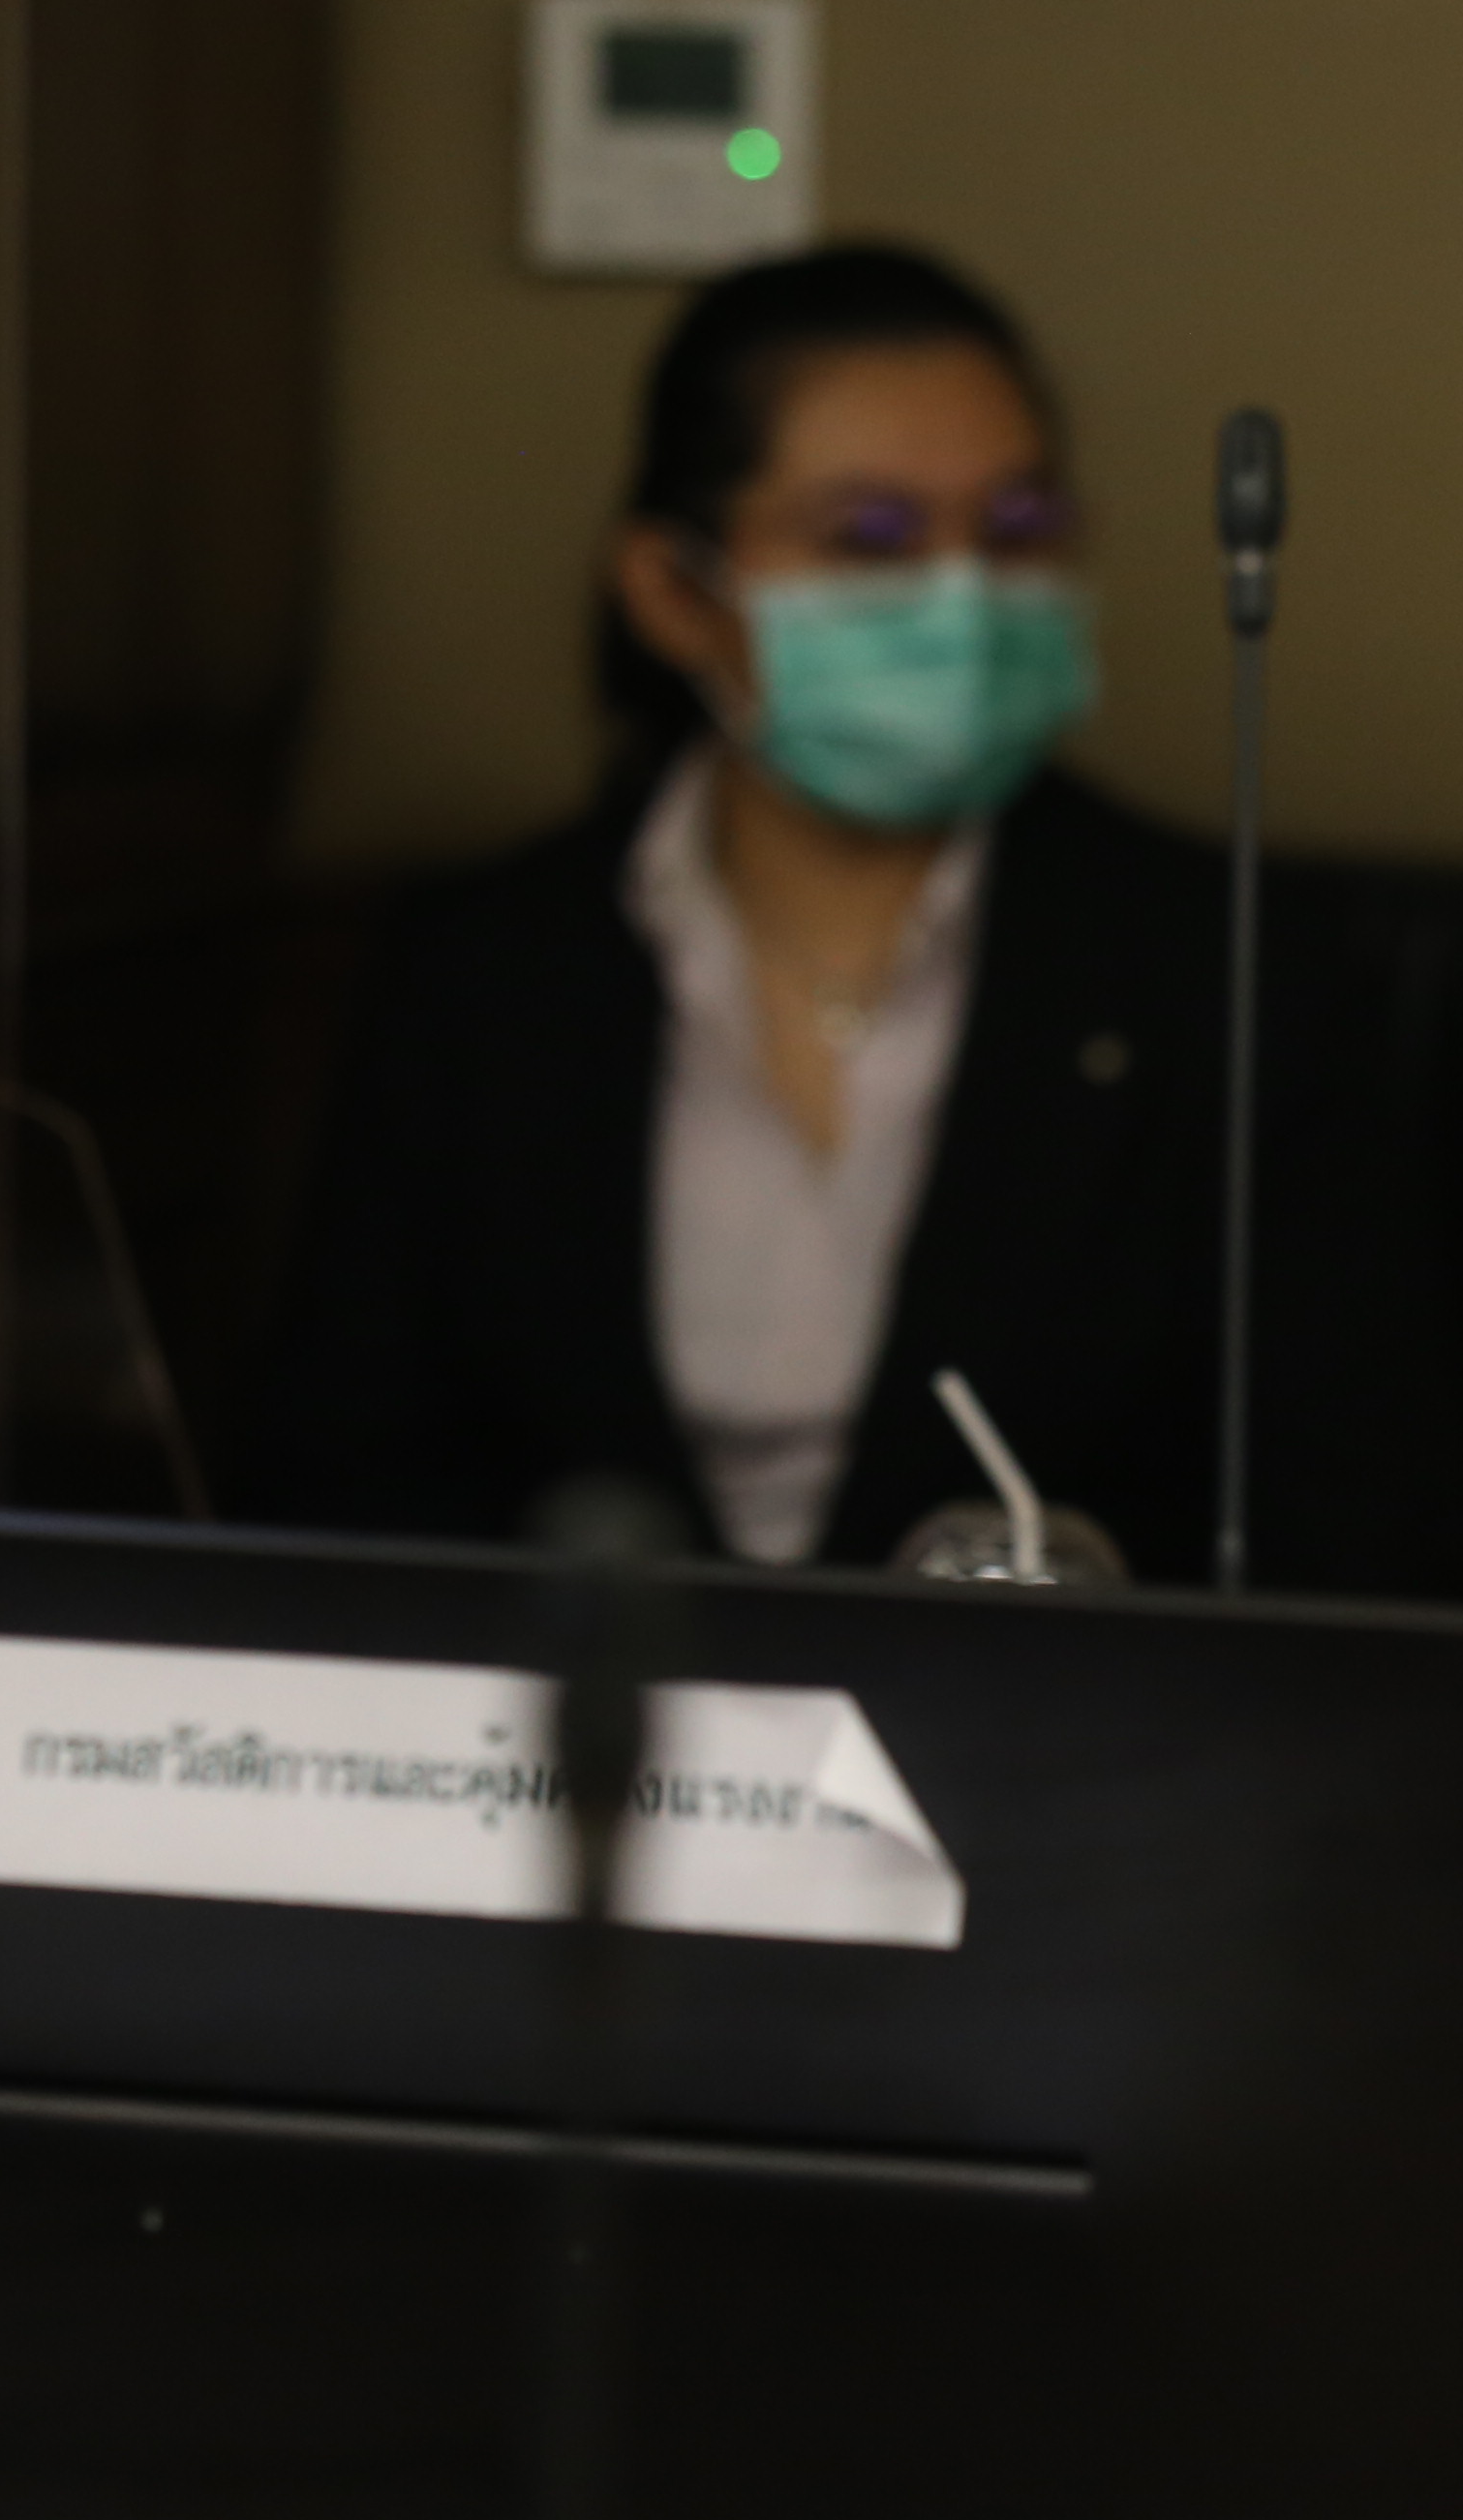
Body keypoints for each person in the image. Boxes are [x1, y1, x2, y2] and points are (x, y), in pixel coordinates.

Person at [256, 244, 1222, 1575]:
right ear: (674, 592)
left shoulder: (1225, 965)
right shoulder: (478, 969)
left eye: (1016, 528)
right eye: (869, 537)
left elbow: (1358, 1504)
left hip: (1040, 1705)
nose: (960, 593)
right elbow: (336, 1473)